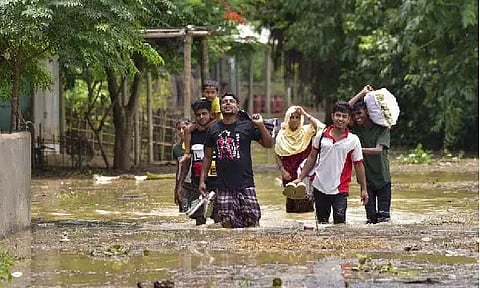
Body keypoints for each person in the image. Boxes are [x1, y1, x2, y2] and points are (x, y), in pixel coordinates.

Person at [199, 93, 273, 228]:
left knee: (252, 220)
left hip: (246, 182)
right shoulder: (213, 129)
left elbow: (268, 144)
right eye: (224, 102)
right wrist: (202, 180)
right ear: (220, 107)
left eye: (231, 101)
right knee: (227, 222)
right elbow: (208, 156)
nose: (227, 103)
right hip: (223, 184)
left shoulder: (247, 126)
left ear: (237, 107)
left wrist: (260, 125)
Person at [293, 101, 368, 224]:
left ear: (349, 119)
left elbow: (359, 165)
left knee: (339, 224)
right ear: (332, 116)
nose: (341, 119)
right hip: (319, 186)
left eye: (344, 116)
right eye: (338, 115)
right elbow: (312, 157)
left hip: (340, 189)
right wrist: (300, 178)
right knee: (322, 224)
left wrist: (363, 189)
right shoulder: (321, 135)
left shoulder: (353, 140)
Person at [349, 85, 392, 224]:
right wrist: (362, 92)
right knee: (371, 220)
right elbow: (345, 108)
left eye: (359, 113)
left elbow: (378, 150)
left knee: (384, 220)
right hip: (366, 181)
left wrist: (357, 150)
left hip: (383, 179)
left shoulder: (382, 129)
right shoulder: (357, 129)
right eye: (355, 115)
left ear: (367, 112)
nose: (357, 117)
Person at [275, 106, 325, 213]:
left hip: (304, 173)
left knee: (305, 205)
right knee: (291, 206)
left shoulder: (307, 131)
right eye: (291, 117)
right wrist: (282, 170)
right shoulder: (281, 135)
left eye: (297, 117)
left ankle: (306, 227)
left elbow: (322, 128)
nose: (294, 120)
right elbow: (277, 153)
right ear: (287, 118)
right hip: (288, 174)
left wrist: (305, 114)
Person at [176, 99, 218, 225]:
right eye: (198, 115)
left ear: (210, 113)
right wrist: (180, 185)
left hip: (217, 179)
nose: (201, 117)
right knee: (199, 218)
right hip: (196, 180)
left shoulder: (218, 129)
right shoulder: (191, 133)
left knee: (218, 216)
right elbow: (187, 160)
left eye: (204, 114)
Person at [180, 80, 222, 164]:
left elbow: (217, 119)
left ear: (217, 93)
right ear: (203, 92)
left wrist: (205, 127)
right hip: (202, 122)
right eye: (207, 92)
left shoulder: (217, 103)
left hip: (216, 122)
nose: (210, 95)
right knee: (188, 129)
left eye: (212, 92)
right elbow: (197, 112)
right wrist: (198, 124)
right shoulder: (202, 100)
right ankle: (187, 152)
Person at [172, 118, 191, 212]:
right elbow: (178, 169)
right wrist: (176, 189)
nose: (181, 131)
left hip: (195, 182)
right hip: (183, 184)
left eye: (184, 128)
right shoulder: (176, 148)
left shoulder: (196, 144)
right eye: (179, 129)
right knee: (183, 212)